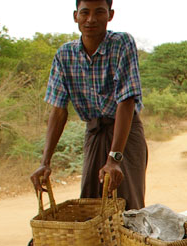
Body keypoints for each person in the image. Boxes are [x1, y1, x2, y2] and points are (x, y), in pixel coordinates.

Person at [30, 0, 147, 210]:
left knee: (128, 205)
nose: (91, 19)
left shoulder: (122, 43)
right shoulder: (64, 55)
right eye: (85, 13)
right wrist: (45, 163)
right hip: (94, 132)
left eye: (99, 12)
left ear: (110, 15)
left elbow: (126, 101)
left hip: (125, 133)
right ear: (75, 16)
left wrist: (114, 158)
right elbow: (58, 110)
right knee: (90, 205)